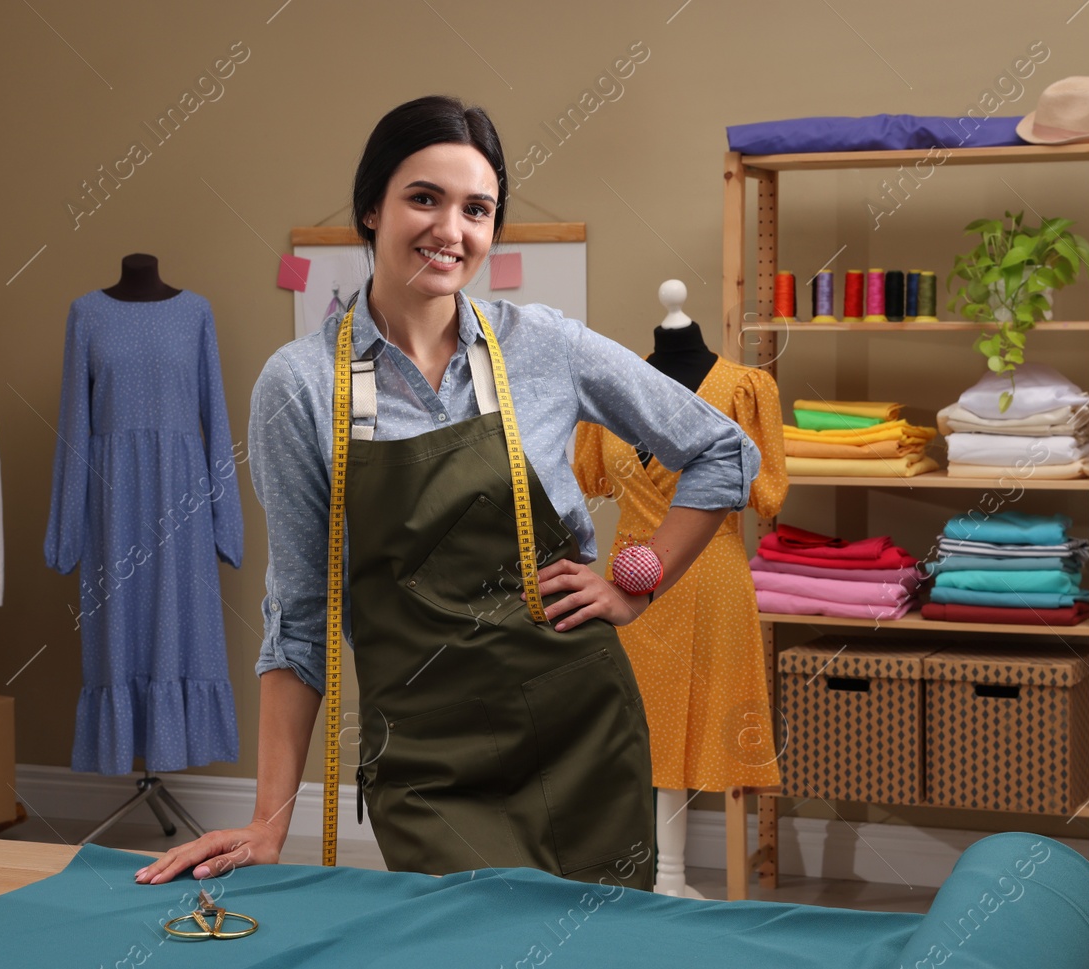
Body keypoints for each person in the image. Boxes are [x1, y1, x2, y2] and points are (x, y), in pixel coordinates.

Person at [135, 95, 757, 891]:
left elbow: (721, 451)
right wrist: (267, 822)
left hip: (581, 731)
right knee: (468, 965)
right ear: (371, 207)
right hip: (426, 758)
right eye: (423, 198)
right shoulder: (299, 388)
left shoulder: (546, 346)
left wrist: (637, 581)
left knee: (597, 968)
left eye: (477, 208)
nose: (450, 230)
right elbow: (299, 620)